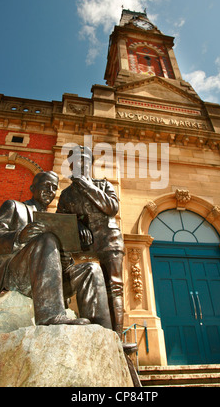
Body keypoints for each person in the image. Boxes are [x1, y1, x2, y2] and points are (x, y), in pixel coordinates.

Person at [0, 171, 112, 330]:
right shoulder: (14, 207)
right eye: (46, 185)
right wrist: (20, 236)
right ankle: (50, 315)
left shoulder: (56, 220)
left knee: (91, 269)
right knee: (47, 238)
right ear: (33, 187)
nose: (50, 191)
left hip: (49, 280)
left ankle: (101, 330)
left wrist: (66, 253)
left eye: (54, 187)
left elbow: (59, 260)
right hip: (17, 275)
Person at [57, 147, 137, 353]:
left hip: (109, 240)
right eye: (75, 162)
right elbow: (62, 223)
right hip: (84, 246)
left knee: (114, 287)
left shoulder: (103, 184)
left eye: (84, 161)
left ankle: (117, 338)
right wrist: (77, 226)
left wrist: (86, 185)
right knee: (90, 286)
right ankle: (95, 332)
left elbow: (111, 208)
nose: (79, 165)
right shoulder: (66, 195)